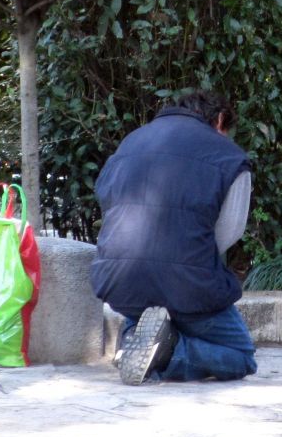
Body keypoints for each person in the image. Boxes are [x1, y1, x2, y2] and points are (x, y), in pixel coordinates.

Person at [91, 89, 258, 385]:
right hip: (189, 286)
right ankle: (166, 353)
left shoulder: (131, 142)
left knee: (145, 309)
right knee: (240, 356)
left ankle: (134, 342)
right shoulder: (229, 156)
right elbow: (230, 231)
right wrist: (189, 253)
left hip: (121, 281)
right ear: (220, 120)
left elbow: (108, 204)